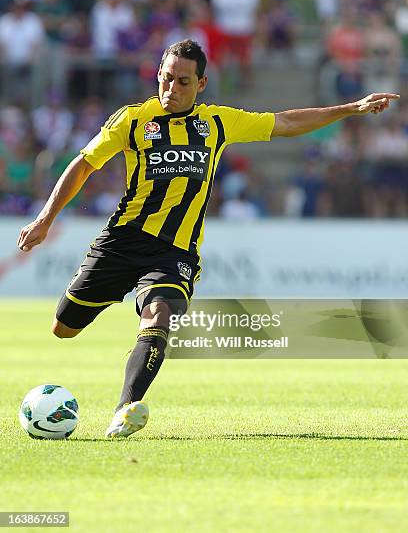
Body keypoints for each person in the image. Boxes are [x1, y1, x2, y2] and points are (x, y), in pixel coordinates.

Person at [17, 39, 399, 439]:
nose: (171, 89)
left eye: (182, 81)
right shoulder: (131, 120)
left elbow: (285, 122)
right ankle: (133, 354)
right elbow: (84, 164)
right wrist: (45, 218)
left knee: (158, 317)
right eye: (166, 79)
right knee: (64, 328)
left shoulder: (217, 123)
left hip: (174, 252)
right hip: (122, 240)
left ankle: (125, 408)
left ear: (200, 85)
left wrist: (350, 108)